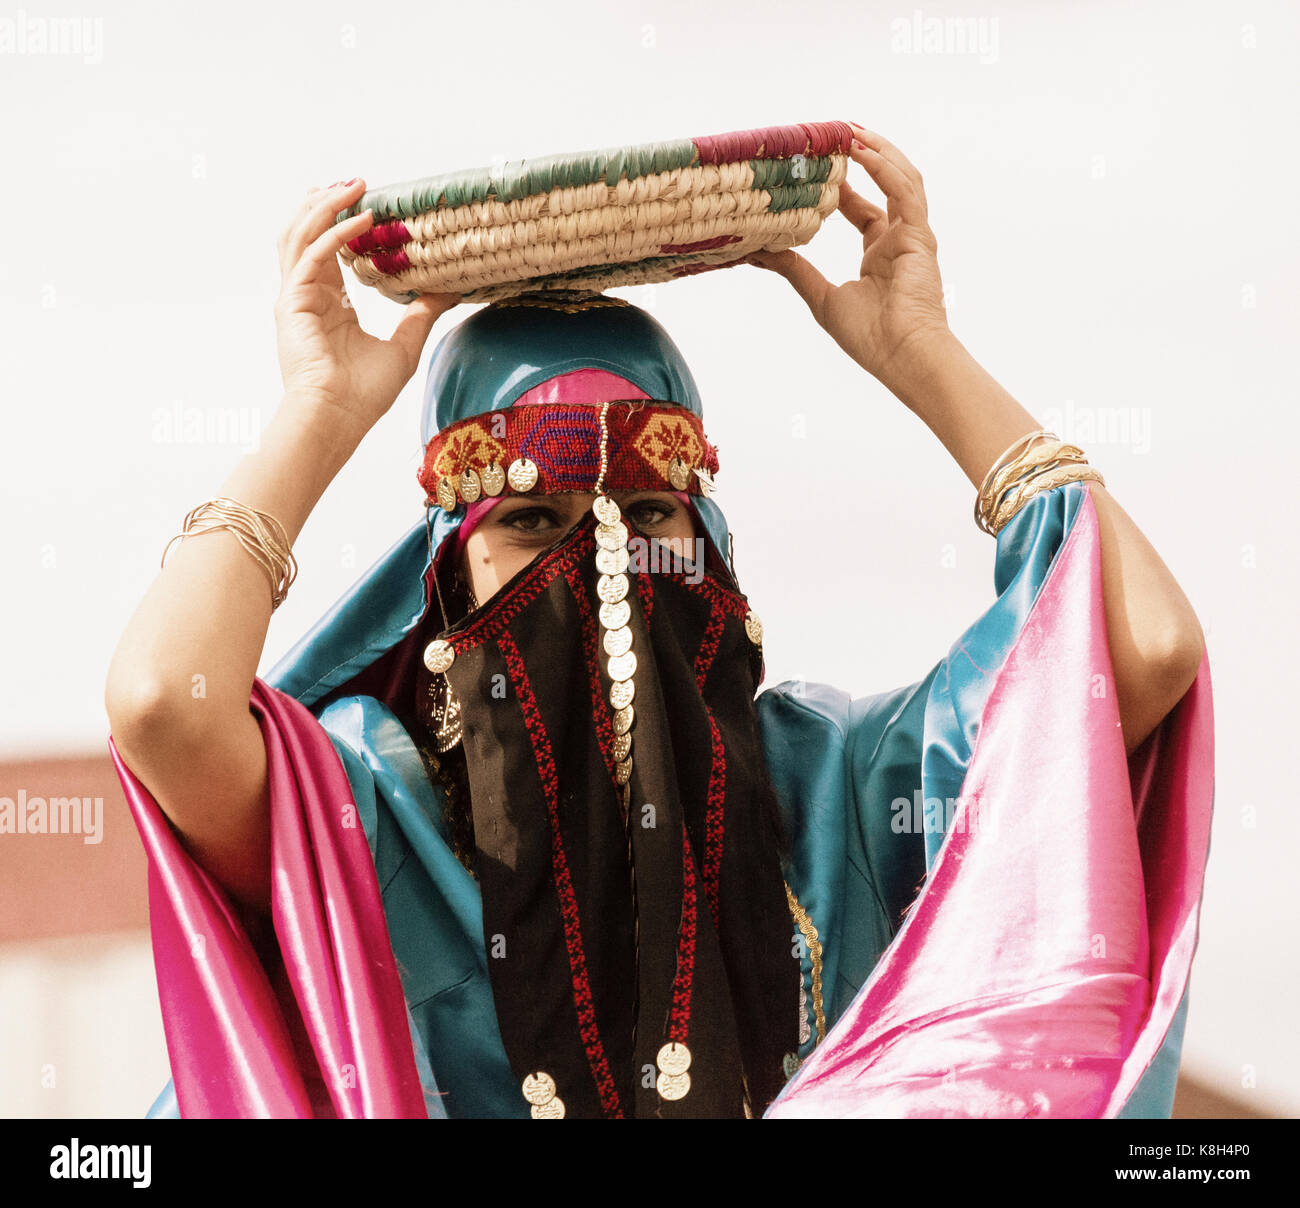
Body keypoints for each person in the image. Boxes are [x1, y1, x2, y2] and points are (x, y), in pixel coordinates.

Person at [104, 127, 1214, 1119]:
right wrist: (321, 411)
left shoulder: (833, 784)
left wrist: (921, 352)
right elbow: (164, 704)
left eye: (646, 513)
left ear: (712, 546)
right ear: (447, 573)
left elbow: (1144, 649)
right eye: (533, 520)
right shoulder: (373, 810)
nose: (602, 562)